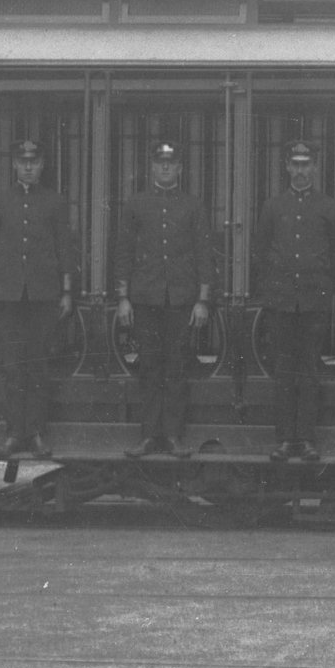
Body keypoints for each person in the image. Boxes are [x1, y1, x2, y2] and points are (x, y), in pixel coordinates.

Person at [0, 138, 77, 459]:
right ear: (14, 165)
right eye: (23, 162)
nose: (28, 167)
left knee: (36, 366)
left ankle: (35, 433)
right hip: (7, 296)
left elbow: (64, 248)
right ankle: (13, 434)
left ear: (42, 165)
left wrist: (65, 291)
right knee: (12, 367)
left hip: (43, 296)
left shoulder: (55, 202)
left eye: (34, 162)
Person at [253, 140, 335, 462]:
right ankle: (285, 440)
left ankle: (306, 439)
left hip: (313, 303)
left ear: (315, 167)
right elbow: (261, 252)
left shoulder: (329, 207)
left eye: (306, 165)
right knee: (283, 371)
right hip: (281, 303)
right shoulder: (273, 206)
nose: (300, 171)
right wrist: (274, 289)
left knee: (308, 371)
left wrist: (323, 289)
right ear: (286, 167)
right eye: (295, 164)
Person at [114, 140, 212, 459]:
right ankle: (148, 436)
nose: (165, 168)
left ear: (180, 168)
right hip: (145, 298)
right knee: (150, 367)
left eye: (171, 163)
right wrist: (124, 298)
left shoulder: (192, 205)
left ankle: (172, 436)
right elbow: (124, 252)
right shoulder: (137, 204)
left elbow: (203, 254)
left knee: (176, 368)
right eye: (160, 163)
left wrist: (202, 300)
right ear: (152, 167)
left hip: (181, 300)